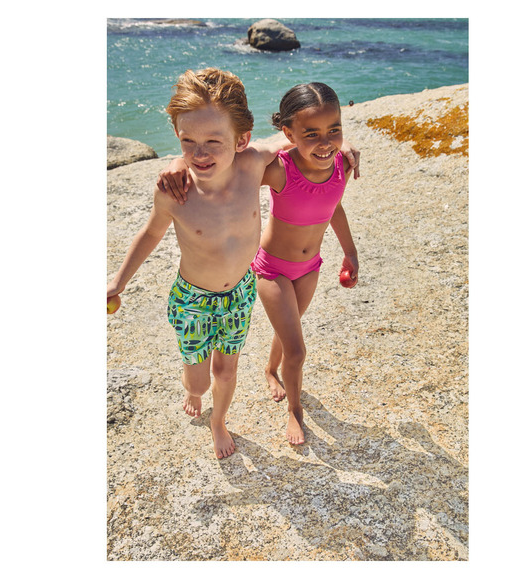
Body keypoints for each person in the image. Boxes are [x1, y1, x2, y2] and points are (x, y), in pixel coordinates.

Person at [107, 68, 300, 459]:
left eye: (214, 141)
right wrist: (118, 281)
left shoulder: (253, 164)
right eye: (188, 142)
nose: (199, 154)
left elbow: (294, 138)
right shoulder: (175, 193)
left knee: (226, 371)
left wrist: (340, 144)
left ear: (241, 140)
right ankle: (194, 393)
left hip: (239, 295)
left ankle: (219, 421)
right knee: (197, 382)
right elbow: (151, 234)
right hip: (192, 301)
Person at [158, 82, 359, 445]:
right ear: (289, 134)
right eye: (311, 134)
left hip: (310, 267)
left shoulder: (341, 165)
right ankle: (295, 413)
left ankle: (270, 370)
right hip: (271, 269)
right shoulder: (279, 169)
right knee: (297, 349)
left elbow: (334, 205)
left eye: (334, 131)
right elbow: (225, 164)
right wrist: (178, 162)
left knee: (288, 331)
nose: (325, 141)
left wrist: (351, 251)